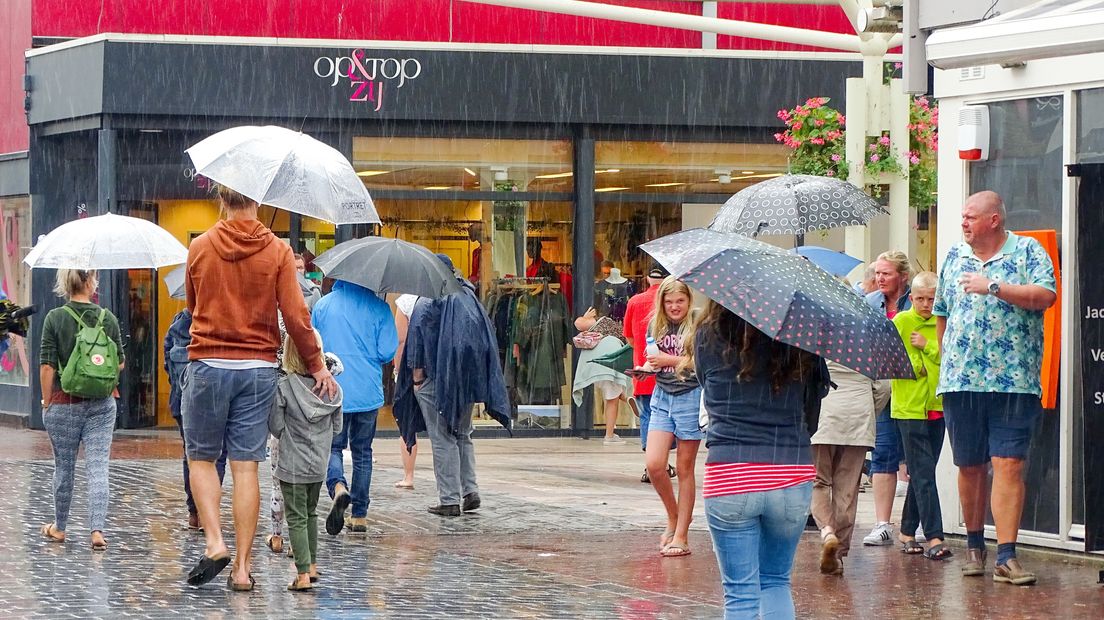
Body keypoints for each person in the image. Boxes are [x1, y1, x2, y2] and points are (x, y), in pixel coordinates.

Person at [182, 184, 336, 591]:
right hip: (257, 369)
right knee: (246, 465)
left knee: (201, 459)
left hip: (209, 364)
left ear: (221, 199)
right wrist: (316, 365)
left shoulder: (200, 247)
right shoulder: (278, 252)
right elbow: (297, 315)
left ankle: (215, 542)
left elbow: (191, 307)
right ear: (258, 201)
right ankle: (243, 569)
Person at [934, 190, 1056, 585]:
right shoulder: (954, 256)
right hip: (961, 381)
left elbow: (1045, 296)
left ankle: (1007, 554)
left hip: (1014, 381)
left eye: (971, 216)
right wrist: (949, 360)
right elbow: (941, 314)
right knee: (969, 465)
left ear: (994, 220)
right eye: (963, 216)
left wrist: (994, 286)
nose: (964, 223)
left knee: (1009, 463)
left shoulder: (1028, 251)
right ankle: (974, 545)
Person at [696, 301, 823, 618]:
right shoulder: (800, 337)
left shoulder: (707, 334)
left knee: (740, 593)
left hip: (731, 472)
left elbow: (705, 385)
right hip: (791, 472)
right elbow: (813, 408)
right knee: (776, 581)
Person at [395, 254, 512, 517]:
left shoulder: (427, 302)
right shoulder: (469, 298)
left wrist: (416, 381)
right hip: (465, 380)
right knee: (462, 434)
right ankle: (470, 491)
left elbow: (416, 345)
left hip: (435, 381)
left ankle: (448, 499)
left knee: (442, 437)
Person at [38, 269, 124, 551]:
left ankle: (60, 528)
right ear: (91, 282)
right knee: (99, 466)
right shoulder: (107, 318)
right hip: (102, 404)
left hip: (64, 402)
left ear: (65, 284)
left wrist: (47, 401)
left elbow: (48, 365)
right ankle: (97, 530)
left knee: (64, 468)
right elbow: (120, 363)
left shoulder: (55, 318)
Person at [312, 280, 398, 535]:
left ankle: (338, 486)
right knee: (362, 452)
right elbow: (386, 351)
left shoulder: (323, 305)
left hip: (333, 388)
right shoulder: (379, 308)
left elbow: (314, 345)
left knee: (333, 446)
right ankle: (359, 515)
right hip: (368, 391)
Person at [269, 330, 343, 592]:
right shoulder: (332, 388)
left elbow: (276, 427)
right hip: (318, 465)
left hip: (291, 464)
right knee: (311, 513)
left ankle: (301, 574)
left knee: (297, 517)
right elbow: (337, 428)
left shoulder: (284, 388)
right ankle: (311, 565)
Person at [892, 271, 952, 560]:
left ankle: (905, 531)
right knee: (925, 473)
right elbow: (894, 358)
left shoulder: (943, 321)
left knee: (922, 473)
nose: (926, 304)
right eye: (919, 299)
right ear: (911, 297)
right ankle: (934, 536)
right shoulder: (902, 321)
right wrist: (919, 364)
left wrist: (926, 347)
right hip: (909, 407)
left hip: (937, 406)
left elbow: (948, 358)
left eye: (931, 299)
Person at [810, 360, 890, 575]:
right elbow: (884, 387)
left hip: (824, 415)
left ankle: (827, 532)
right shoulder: (869, 337)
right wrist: (869, 411)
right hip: (859, 418)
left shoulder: (817, 335)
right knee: (847, 488)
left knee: (818, 481)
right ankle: (839, 555)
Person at [641, 276, 701, 558]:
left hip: (690, 396)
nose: (675, 306)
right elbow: (654, 358)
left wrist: (670, 361)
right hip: (662, 395)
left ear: (689, 301)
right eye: (669, 301)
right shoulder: (656, 324)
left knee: (685, 467)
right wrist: (647, 366)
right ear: (661, 302)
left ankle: (681, 535)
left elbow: (703, 361)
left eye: (680, 301)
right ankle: (674, 516)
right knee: (654, 464)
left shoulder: (699, 323)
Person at [862, 250, 913, 546]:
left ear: (902, 276)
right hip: (882, 387)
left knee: (915, 456)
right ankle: (882, 523)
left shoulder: (917, 301)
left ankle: (914, 521)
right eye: (878, 273)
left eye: (886, 273)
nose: (880, 278)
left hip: (911, 387)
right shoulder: (870, 304)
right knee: (882, 454)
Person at [164, 307, 227, 531]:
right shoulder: (221, 316)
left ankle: (194, 512)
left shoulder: (180, 319)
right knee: (217, 455)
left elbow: (167, 361)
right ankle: (208, 512)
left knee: (191, 454)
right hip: (215, 395)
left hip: (183, 397)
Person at [622, 266, 675, 483]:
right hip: (668, 373)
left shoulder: (635, 301)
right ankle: (662, 462)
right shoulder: (671, 303)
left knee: (647, 417)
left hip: (643, 370)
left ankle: (651, 464)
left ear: (646, 279)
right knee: (669, 418)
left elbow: (629, 338)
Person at [571, 306, 632, 445]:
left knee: (612, 395)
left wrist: (585, 318)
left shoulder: (600, 321)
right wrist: (586, 318)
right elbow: (579, 323)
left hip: (597, 364)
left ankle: (627, 398)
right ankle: (609, 436)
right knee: (612, 400)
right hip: (610, 363)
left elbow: (578, 323)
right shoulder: (611, 325)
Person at [393, 293, 420, 489]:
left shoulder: (406, 302)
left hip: (411, 367)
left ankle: (408, 476)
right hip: (438, 368)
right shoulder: (445, 296)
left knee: (407, 424)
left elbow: (400, 340)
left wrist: (398, 369)